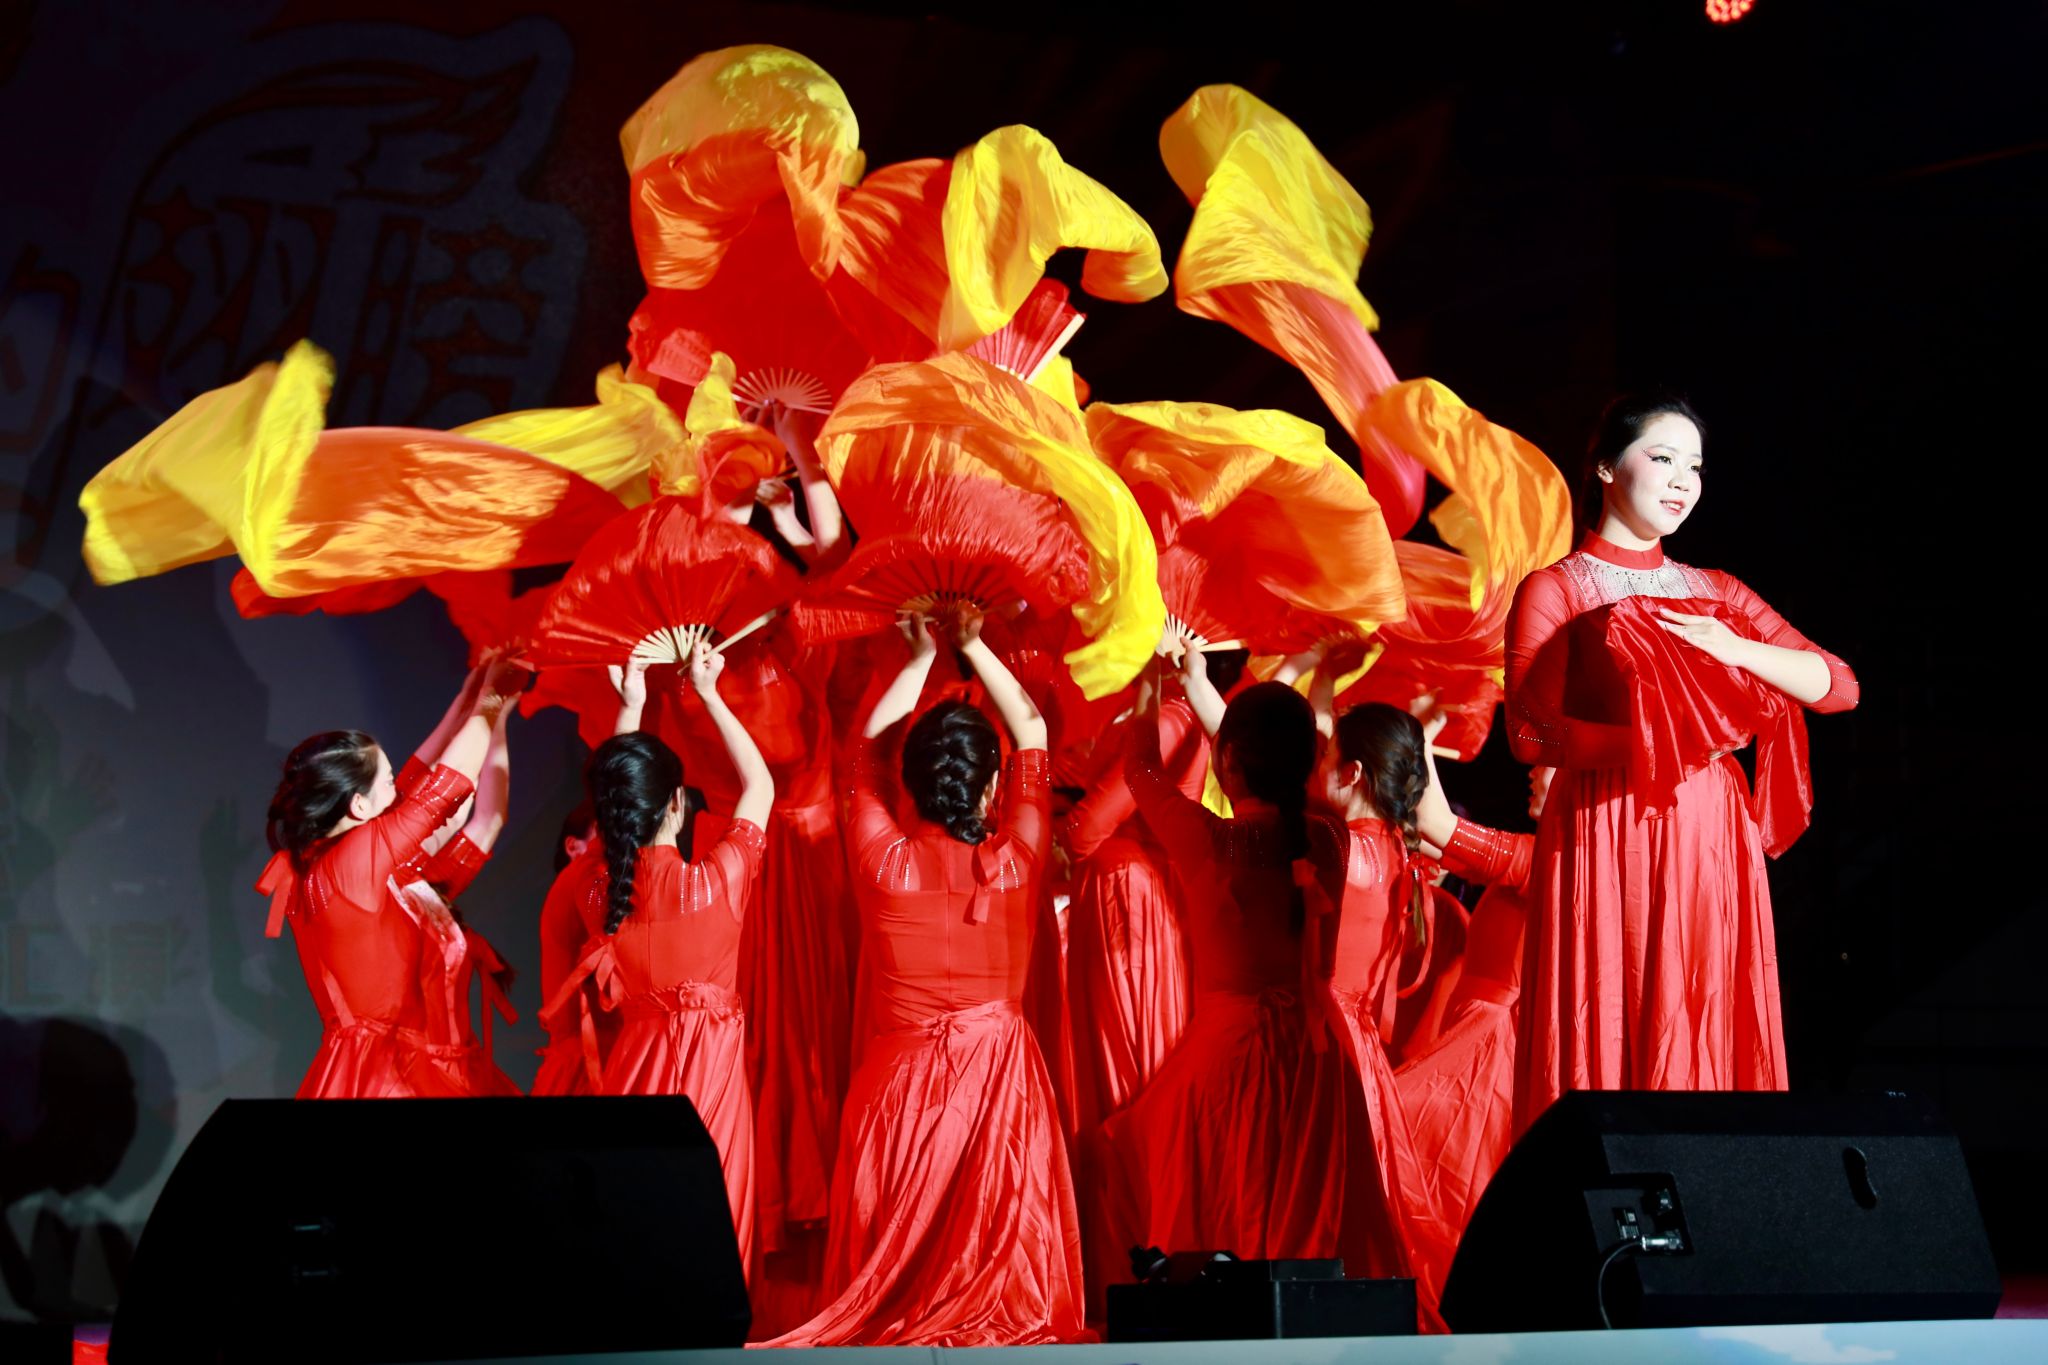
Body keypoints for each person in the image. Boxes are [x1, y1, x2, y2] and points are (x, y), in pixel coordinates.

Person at [1504, 393, 1859, 1129]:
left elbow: (1839, 686)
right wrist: (1667, 741)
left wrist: (1736, 648)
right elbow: (1531, 734)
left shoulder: (1716, 591)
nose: (1682, 481)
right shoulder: (1557, 587)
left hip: (1710, 834)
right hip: (1607, 831)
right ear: (1606, 467)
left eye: (1694, 466)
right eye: (1662, 458)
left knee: (1703, 1002)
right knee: (1613, 1003)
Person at [768, 608, 1081, 1347]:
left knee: (890, 1308)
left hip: (897, 1091)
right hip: (998, 1083)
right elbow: (1033, 729)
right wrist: (970, 644)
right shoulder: (1019, 860)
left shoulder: (882, 859)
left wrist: (914, 660)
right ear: (994, 784)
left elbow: (860, 759)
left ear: (907, 783)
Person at [1089, 642, 1351, 1307]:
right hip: (1315, 1052)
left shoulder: (1208, 840)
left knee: (1210, 1191)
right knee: (1296, 1209)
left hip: (1227, 1053)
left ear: (1227, 760)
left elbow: (1142, 770)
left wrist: (1152, 682)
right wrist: (1204, 688)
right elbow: (1272, 766)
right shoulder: (1330, 838)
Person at [541, 645, 773, 1267]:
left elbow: (615, 808)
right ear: (676, 803)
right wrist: (710, 693)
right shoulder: (716, 882)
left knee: (636, 1234)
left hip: (634, 1080)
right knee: (711, 1237)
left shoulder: (596, 892)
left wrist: (631, 707)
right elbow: (760, 784)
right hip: (709, 1085)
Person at [255, 662, 514, 1098]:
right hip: (390, 1074)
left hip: (372, 1064)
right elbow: (440, 792)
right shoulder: (352, 860)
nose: (401, 791)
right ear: (358, 806)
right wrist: (491, 699)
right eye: (390, 783)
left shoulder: (328, 863)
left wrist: (467, 701)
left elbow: (420, 784)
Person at [1058, 649, 1247, 1139]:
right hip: (1150, 887)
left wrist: (1052, 836)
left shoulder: (1170, 719)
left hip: (1126, 891)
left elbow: (1091, 826)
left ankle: (1127, 1164)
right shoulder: (1176, 712)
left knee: (1123, 1042)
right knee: (1142, 1033)